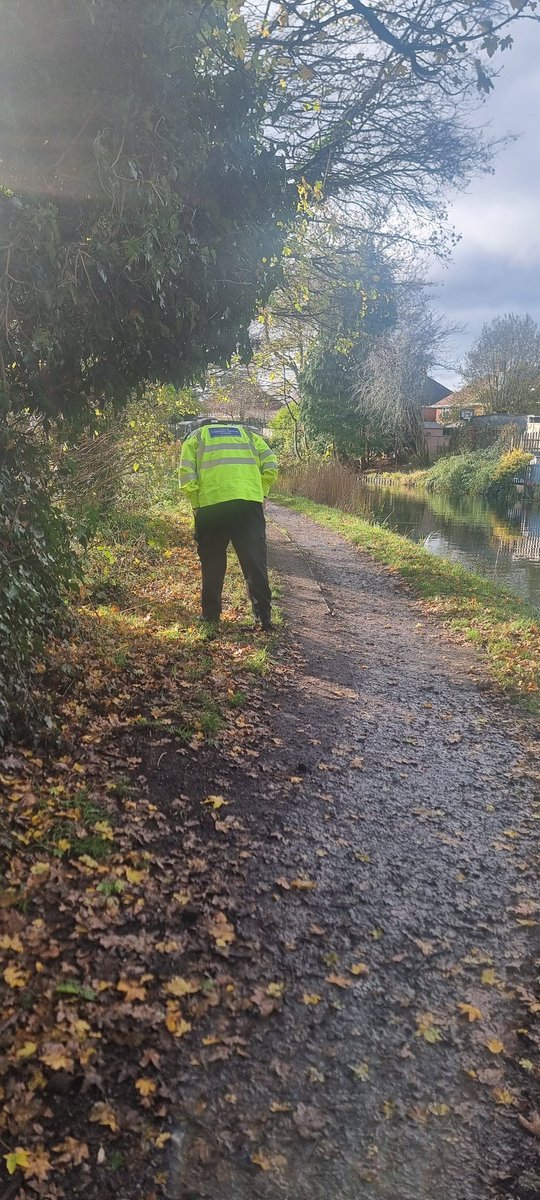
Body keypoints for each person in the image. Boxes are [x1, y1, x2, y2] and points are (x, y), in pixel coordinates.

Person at [179, 418, 278, 630]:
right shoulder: (249, 435)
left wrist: (197, 505)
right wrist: (260, 492)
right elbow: (271, 465)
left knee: (213, 563)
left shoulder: (196, 437)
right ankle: (264, 619)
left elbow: (187, 476)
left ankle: (211, 616)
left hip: (212, 505)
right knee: (255, 563)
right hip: (247, 505)